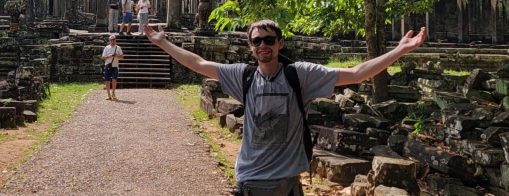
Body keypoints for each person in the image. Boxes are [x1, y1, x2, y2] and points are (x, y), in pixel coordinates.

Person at [144, 20, 426, 196]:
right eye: (257, 41)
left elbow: (356, 73)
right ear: (250, 46)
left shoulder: (299, 75)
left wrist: (400, 50)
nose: (263, 46)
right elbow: (198, 64)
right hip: (253, 179)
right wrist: (164, 42)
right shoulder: (243, 76)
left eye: (269, 40)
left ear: (280, 43)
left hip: (290, 181)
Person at [102, 35, 124, 100]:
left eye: (114, 40)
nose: (112, 41)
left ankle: (113, 93)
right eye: (111, 40)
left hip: (115, 66)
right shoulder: (106, 48)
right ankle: (108, 94)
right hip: (108, 65)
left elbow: (122, 57)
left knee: (114, 79)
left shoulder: (118, 48)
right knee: (107, 80)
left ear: (115, 40)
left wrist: (116, 56)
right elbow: (103, 57)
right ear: (109, 41)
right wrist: (109, 56)